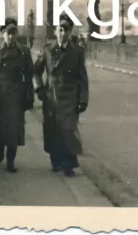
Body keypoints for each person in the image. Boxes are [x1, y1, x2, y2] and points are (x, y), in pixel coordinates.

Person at [33, 13, 89, 177]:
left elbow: (82, 78)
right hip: (51, 95)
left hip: (70, 97)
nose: (63, 33)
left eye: (66, 30)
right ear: (55, 31)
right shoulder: (48, 50)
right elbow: (36, 71)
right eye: (60, 30)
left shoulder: (77, 52)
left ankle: (68, 164)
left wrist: (83, 99)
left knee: (68, 129)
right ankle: (56, 159)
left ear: (70, 32)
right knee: (52, 129)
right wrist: (40, 89)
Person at [0, 18, 35, 173]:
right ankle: (0, 146)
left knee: (14, 129)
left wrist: (30, 95)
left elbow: (29, 75)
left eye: (14, 33)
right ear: (2, 34)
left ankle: (11, 161)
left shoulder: (24, 51)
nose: (11, 37)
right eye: (8, 33)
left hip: (17, 95)